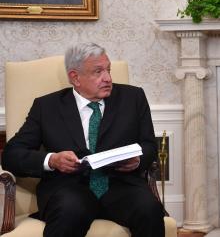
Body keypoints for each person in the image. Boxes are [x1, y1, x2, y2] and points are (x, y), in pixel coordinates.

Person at [1, 43, 165, 237]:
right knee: (69, 211)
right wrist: (51, 160)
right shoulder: (47, 106)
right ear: (75, 77)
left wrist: (137, 160)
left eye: (108, 70)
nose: (108, 78)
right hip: (69, 188)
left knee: (149, 208)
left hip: (121, 186)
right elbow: (12, 154)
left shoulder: (133, 97)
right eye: (98, 72)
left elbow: (149, 145)